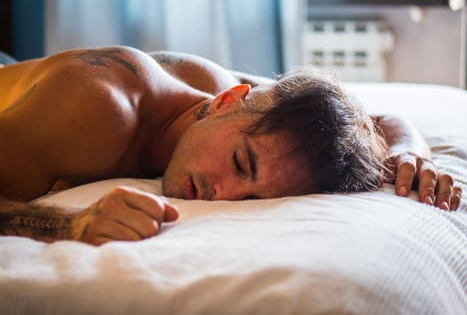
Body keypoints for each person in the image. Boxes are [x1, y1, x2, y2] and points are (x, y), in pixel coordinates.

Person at [0, 46, 462, 246]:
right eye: (241, 163)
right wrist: (68, 226)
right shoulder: (96, 112)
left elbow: (374, 120)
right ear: (225, 103)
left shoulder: (252, 106)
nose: (224, 193)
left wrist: (407, 150)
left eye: (254, 198)